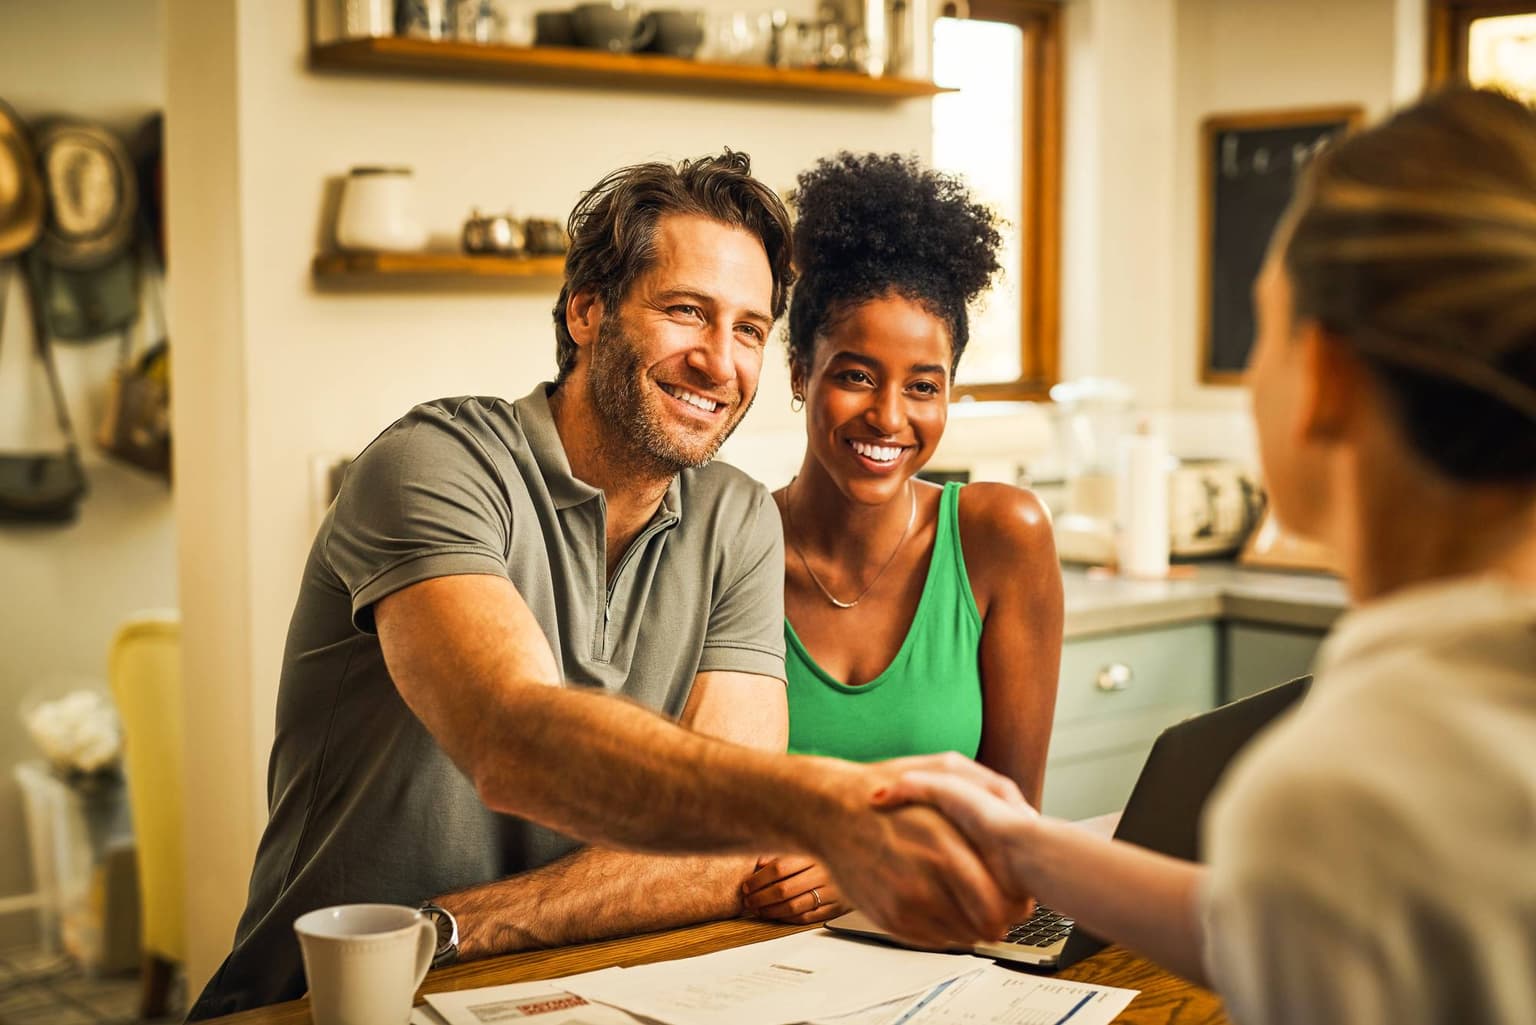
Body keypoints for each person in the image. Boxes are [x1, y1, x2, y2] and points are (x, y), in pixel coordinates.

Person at [189, 151, 1021, 1019]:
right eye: (687, 312)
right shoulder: (432, 464)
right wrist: (824, 804)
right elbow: (511, 739)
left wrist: (460, 923)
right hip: (326, 1000)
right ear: (587, 310)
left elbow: (725, 843)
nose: (719, 361)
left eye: (747, 328)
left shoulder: (735, 518)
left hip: (567, 990)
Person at [876, 87, 1536, 1024]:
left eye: (1263, 328)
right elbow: (1273, 922)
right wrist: (1025, 845)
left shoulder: (1342, 792)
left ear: (1328, 379)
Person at [738, 154, 1063, 926]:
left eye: (924, 385)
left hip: (945, 950)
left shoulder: (1000, 538)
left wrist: (858, 864)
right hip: (748, 953)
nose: (890, 417)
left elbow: (1014, 834)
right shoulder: (730, 546)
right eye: (855, 375)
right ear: (797, 370)